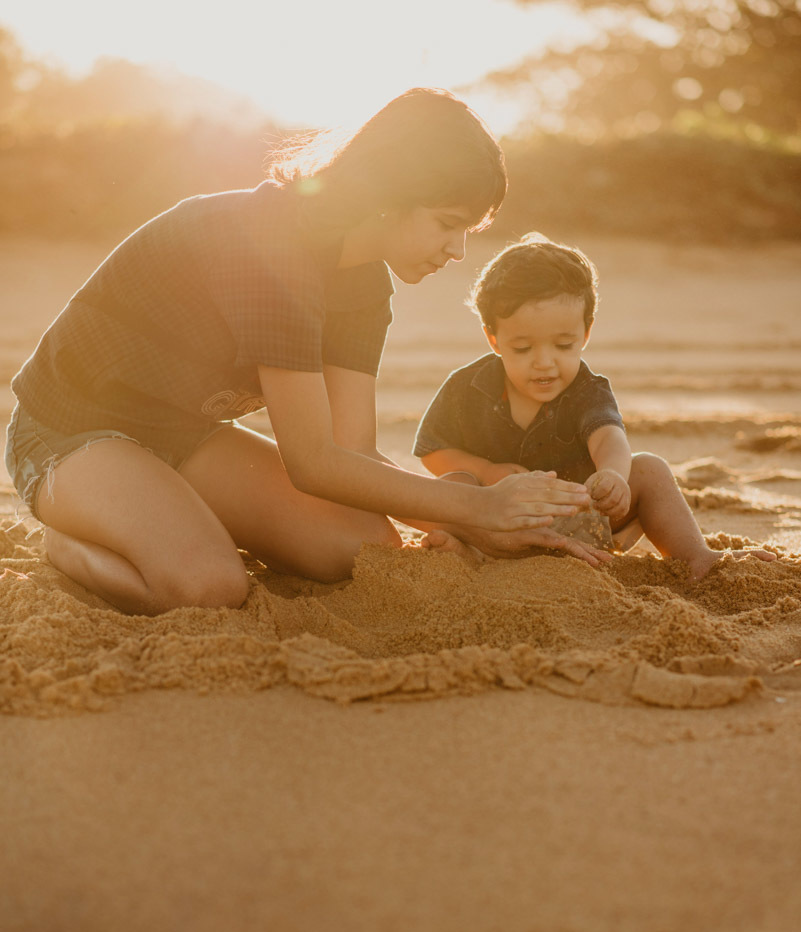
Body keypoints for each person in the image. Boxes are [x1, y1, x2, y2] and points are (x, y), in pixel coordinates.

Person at [4, 89, 607, 617]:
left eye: (469, 231)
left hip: (181, 432)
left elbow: (352, 450)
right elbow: (312, 463)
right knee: (209, 585)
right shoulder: (273, 248)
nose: (457, 251)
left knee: (362, 549)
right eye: (449, 223)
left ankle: (161, 513)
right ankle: (69, 545)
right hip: (67, 433)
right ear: (391, 195)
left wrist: (471, 517)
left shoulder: (365, 282)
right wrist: (479, 507)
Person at [414, 233, 776, 579]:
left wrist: (614, 476)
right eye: (523, 349)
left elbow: (608, 438)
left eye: (563, 345)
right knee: (454, 483)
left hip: (585, 517)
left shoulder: (587, 389)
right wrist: (487, 470)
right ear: (493, 338)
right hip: (496, 526)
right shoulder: (466, 387)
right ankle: (471, 553)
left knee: (649, 469)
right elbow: (433, 449)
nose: (544, 362)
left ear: (585, 333)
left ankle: (695, 555)